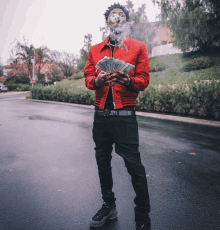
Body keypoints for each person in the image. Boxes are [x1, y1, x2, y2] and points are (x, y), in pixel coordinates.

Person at [84, 3, 151, 230]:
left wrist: (130, 81)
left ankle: (142, 214)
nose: (117, 19)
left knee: (134, 165)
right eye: (113, 16)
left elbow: (144, 80)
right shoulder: (95, 50)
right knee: (103, 163)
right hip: (100, 116)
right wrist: (97, 81)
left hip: (125, 117)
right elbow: (88, 78)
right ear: (107, 22)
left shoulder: (138, 47)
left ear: (126, 21)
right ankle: (109, 206)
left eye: (121, 16)